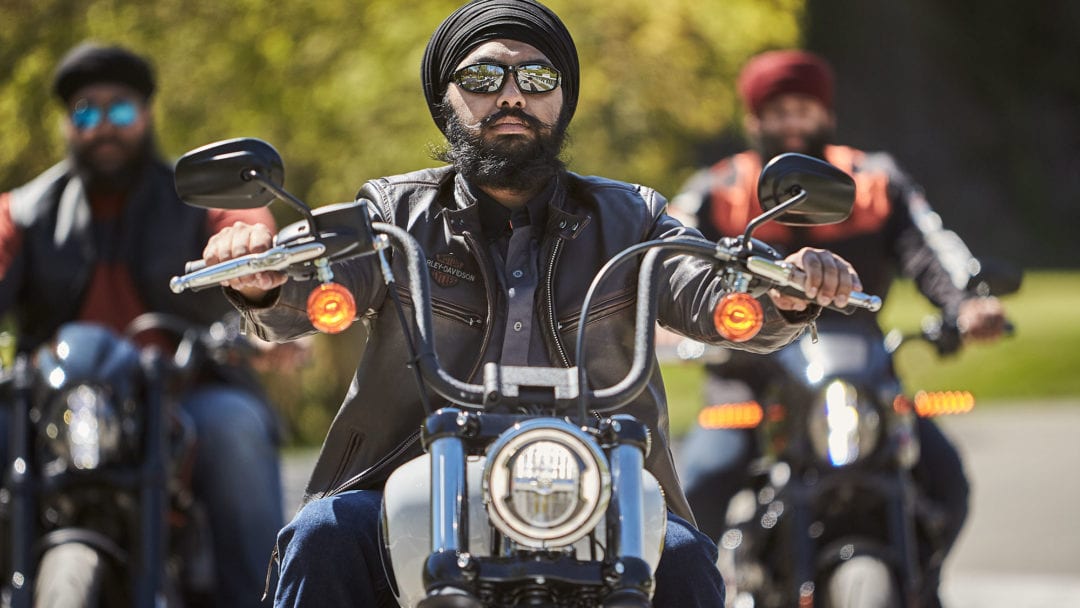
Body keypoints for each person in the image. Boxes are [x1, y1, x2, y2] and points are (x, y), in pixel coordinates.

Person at [202, 2, 866, 606]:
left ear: (563, 101)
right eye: (484, 78)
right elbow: (320, 276)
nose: (513, 95)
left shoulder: (631, 216)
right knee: (323, 534)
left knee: (689, 564)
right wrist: (264, 276)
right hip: (410, 478)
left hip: (600, 485)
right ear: (447, 100)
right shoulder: (393, 212)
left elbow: (706, 288)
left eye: (538, 80)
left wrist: (777, 291)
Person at [670, 49, 1008, 606]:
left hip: (864, 376)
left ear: (826, 113)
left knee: (947, 478)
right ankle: (714, 588)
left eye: (805, 109)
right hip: (750, 376)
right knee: (700, 480)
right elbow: (673, 259)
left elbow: (929, 248)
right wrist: (673, 330)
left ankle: (923, 582)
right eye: (778, 112)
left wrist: (968, 303)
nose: (793, 123)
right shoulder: (720, 190)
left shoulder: (874, 181)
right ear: (754, 121)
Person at [0, 42, 284, 607]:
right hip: (50, 408)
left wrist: (260, 270)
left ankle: (263, 598)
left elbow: (258, 250)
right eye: (86, 111)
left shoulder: (202, 202)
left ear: (148, 115)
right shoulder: (23, 210)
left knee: (236, 430)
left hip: (183, 398)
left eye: (121, 110)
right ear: (67, 123)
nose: (103, 125)